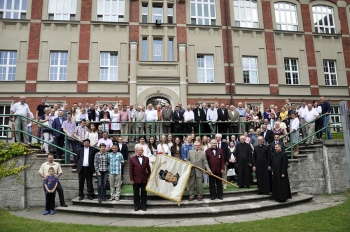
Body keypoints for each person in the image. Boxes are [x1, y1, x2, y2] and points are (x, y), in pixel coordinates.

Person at [129, 145, 151, 211]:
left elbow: (149, 169)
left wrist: (149, 177)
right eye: (139, 150)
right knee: (136, 194)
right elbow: (130, 170)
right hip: (135, 179)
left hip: (144, 179)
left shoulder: (146, 158)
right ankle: (137, 206)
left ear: (143, 151)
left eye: (141, 150)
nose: (140, 151)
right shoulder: (132, 159)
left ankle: (143, 205)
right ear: (136, 151)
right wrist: (131, 179)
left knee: (144, 193)